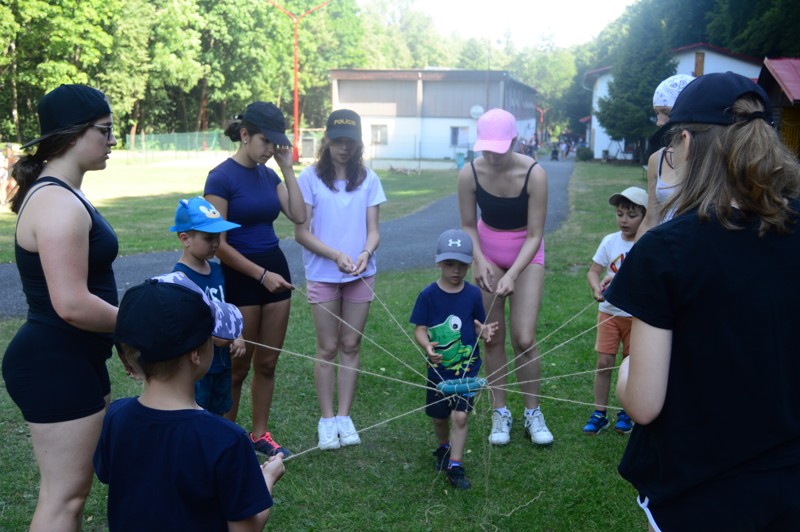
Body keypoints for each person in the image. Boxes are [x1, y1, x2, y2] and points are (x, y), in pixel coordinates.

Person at [607, 72, 800, 530]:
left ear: (687, 143)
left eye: (671, 145)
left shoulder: (666, 250)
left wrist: (624, 371)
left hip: (699, 493)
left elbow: (644, 403)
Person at [1, 84, 118, 531]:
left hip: (77, 357)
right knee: (63, 500)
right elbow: (70, 304)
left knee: (72, 494)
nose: (112, 141)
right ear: (73, 135)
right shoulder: (55, 201)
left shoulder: (63, 193)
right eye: (105, 131)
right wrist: (137, 326)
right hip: (54, 361)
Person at [94, 272, 285, 531]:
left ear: (129, 358)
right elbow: (246, 528)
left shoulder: (115, 416)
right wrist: (267, 478)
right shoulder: (226, 440)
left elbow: (109, 475)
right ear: (196, 353)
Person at [204, 101, 305, 456]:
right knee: (237, 364)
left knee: (267, 361)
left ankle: (259, 433)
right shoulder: (221, 177)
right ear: (244, 135)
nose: (270, 149)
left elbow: (298, 214)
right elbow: (218, 244)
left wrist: (288, 169)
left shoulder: (271, 174)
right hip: (242, 276)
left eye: (276, 142)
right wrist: (261, 276)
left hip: (276, 273)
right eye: (265, 141)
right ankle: (227, 436)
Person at [457, 108, 554, 447]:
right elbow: (469, 225)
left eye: (498, 148)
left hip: (526, 256)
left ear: (514, 141)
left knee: (524, 338)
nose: (491, 156)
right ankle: (501, 412)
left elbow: (535, 235)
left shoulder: (535, 174)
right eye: (485, 148)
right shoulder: (469, 173)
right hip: (487, 253)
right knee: (492, 337)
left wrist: (512, 274)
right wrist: (479, 259)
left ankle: (532, 412)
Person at [294, 109, 386, 450]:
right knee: (327, 347)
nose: (343, 148)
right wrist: (335, 255)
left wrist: (365, 252)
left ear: (358, 143)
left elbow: (374, 231)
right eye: (337, 141)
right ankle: (327, 419)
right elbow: (301, 233)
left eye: (349, 142)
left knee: (351, 345)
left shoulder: (369, 179)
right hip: (323, 274)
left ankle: (345, 417)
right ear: (327, 141)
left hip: (361, 273)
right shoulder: (309, 179)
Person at [409, 229, 497, 490]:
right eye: (449, 264)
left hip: (467, 369)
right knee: (439, 417)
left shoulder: (472, 294)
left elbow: (475, 322)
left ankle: (455, 465)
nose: (455, 270)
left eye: (461, 265)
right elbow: (420, 328)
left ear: (470, 264)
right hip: (438, 371)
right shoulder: (428, 295)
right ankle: (444, 447)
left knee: (460, 417)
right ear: (438, 261)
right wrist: (427, 346)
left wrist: (484, 331)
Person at [170, 196, 246, 415]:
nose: (215, 244)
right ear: (185, 238)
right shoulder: (180, 277)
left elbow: (225, 309)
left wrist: (237, 334)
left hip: (222, 362)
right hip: (196, 367)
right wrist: (213, 337)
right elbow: (183, 323)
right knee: (197, 412)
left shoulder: (217, 271)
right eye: (208, 238)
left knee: (219, 411)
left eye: (218, 238)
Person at [582, 187, 647, 435]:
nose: (624, 220)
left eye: (631, 215)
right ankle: (599, 412)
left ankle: (626, 412)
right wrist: (596, 287)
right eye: (620, 214)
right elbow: (593, 271)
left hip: (637, 318)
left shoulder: (648, 242)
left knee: (632, 366)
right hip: (609, 313)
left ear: (644, 216)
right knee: (604, 362)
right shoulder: (610, 241)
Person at [636, 74, 694, 240]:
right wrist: (634, 259)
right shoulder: (657, 160)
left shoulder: (711, 158)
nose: (659, 122)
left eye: (666, 112)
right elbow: (650, 220)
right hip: (664, 252)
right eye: (656, 113)